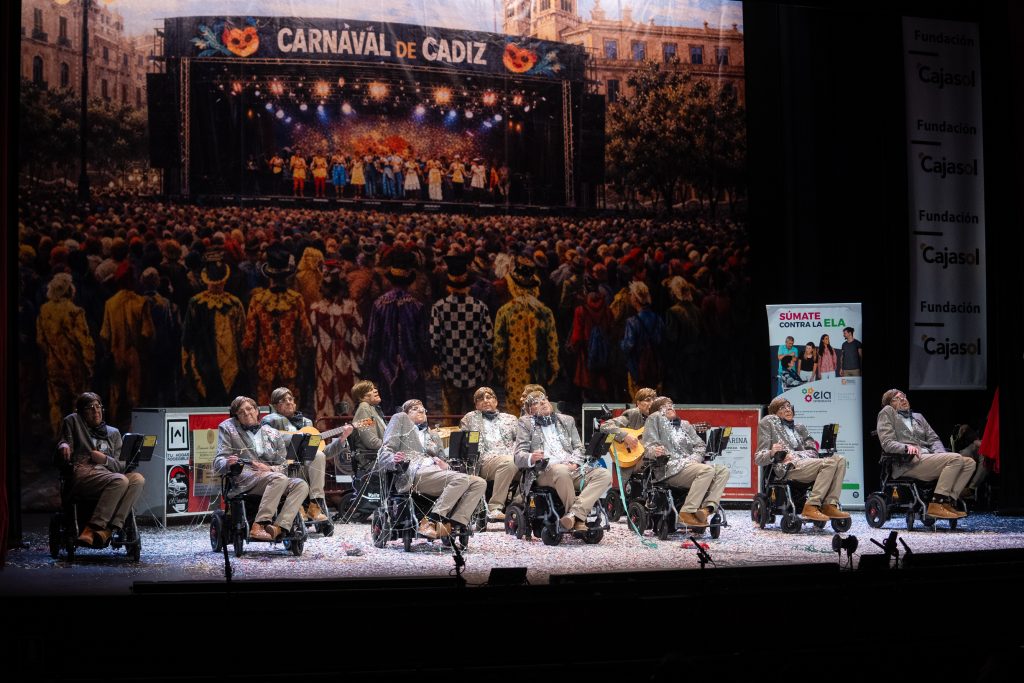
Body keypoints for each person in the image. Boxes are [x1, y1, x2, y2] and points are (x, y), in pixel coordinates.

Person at [377, 399, 487, 539]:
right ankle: (431, 521)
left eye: (423, 409)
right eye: (414, 409)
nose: (421, 410)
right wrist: (393, 459)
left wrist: (445, 465)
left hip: (436, 471)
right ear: (406, 413)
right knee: (462, 480)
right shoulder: (400, 419)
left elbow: (443, 458)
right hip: (414, 471)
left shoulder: (433, 434)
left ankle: (454, 523)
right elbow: (384, 451)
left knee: (479, 483)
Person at [212, 396, 309, 542]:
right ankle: (259, 525)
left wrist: (269, 468)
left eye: (249, 409)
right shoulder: (228, 429)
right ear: (236, 416)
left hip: (273, 477)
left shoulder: (273, 433)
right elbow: (218, 461)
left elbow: (284, 465)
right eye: (241, 411)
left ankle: (279, 527)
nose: (246, 413)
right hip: (246, 478)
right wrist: (227, 463)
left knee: (301, 485)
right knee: (279, 479)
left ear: (257, 411)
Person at [56, 392, 145, 548]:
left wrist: (104, 460)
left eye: (98, 406)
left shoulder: (113, 433)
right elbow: (65, 441)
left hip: (109, 475)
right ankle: (92, 528)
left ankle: (108, 530)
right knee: (120, 480)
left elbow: (120, 465)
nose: (96, 411)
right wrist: (63, 445)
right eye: (90, 407)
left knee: (137, 479)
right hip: (84, 473)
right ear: (81, 412)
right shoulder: (73, 422)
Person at [514, 392, 611, 532]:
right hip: (544, 471)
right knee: (561, 470)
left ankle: (574, 516)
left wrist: (575, 463)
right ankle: (579, 520)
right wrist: (531, 457)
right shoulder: (526, 423)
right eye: (536, 402)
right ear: (530, 410)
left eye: (544, 399)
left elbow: (579, 448)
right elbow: (518, 455)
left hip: (572, 468)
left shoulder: (567, 420)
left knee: (603, 474)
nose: (542, 403)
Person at [876, 389, 974, 519]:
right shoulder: (887, 413)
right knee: (956, 459)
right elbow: (887, 443)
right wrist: (905, 447)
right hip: (908, 462)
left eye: (903, 396)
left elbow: (933, 439)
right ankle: (936, 504)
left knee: (969, 463)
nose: (903, 399)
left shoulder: (918, 417)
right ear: (889, 404)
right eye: (897, 399)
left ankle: (947, 502)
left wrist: (940, 454)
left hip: (927, 457)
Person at [261, 387, 352, 524]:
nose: (288, 402)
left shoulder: (307, 423)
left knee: (319, 455)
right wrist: (299, 437)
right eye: (283, 400)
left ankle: (315, 505)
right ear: (274, 405)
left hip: (305, 469)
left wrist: (342, 439)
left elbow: (324, 452)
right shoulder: (269, 420)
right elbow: (268, 438)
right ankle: (296, 507)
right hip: (283, 469)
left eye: (290, 399)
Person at [755, 397, 850, 522]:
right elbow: (759, 458)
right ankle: (811, 505)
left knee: (840, 460)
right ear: (774, 413)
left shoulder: (799, 428)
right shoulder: (768, 422)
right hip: (788, 467)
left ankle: (829, 504)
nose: (788, 410)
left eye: (789, 406)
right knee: (830, 463)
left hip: (805, 463)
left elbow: (813, 451)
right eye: (782, 408)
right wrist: (772, 452)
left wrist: (797, 454)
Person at [642, 396, 729, 528]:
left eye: (671, 405)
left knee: (723, 471)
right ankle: (687, 512)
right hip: (669, 469)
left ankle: (706, 509)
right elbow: (647, 447)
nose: (670, 407)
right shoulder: (654, 420)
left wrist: (693, 459)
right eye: (664, 406)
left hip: (689, 465)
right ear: (657, 412)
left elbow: (700, 446)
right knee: (707, 470)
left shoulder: (685, 425)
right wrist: (655, 451)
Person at [429, 254, 493, 416]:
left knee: (452, 417)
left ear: (448, 285)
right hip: (476, 368)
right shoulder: (480, 307)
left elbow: (434, 340)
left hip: (450, 369)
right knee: (477, 416)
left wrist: (438, 362)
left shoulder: (439, 307)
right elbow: (489, 340)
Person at [37, 273, 95, 437]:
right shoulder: (74, 311)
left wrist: (50, 355)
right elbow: (85, 342)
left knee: (56, 402)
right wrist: (89, 364)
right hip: (74, 365)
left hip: (53, 364)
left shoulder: (44, 310)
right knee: (78, 402)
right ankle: (76, 438)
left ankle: (59, 437)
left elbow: (40, 340)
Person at [460, 386, 520, 521]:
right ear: (476, 405)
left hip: (513, 458)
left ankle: (518, 506)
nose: (486, 400)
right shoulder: (471, 418)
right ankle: (495, 508)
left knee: (534, 466)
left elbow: (521, 441)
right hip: (485, 461)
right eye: (480, 399)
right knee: (509, 462)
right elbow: (466, 443)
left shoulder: (510, 419)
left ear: (496, 401)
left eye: (489, 397)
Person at [600, 387, 656, 479]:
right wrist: (625, 436)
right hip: (632, 460)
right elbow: (605, 426)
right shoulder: (632, 415)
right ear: (638, 403)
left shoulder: (657, 419)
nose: (651, 403)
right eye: (647, 400)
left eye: (654, 400)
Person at [350, 380, 388, 468]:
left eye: (375, 388)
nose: (375, 391)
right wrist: (393, 446)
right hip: (371, 461)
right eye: (370, 390)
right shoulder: (364, 407)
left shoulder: (373, 409)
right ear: (361, 396)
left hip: (381, 455)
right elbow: (371, 442)